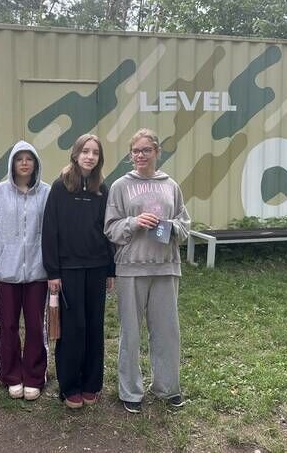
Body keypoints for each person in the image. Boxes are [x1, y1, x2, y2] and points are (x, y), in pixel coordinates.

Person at [104, 128, 191, 414]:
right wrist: (134, 222)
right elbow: (110, 228)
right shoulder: (120, 186)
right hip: (131, 268)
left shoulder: (171, 186)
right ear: (131, 155)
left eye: (146, 150)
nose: (140, 155)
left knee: (167, 331)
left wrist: (169, 227)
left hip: (165, 268)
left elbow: (185, 226)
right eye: (136, 151)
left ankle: (167, 388)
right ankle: (130, 390)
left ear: (156, 152)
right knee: (130, 333)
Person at [42, 134, 115, 409]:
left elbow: (108, 231)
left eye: (95, 152)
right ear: (75, 154)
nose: (89, 156)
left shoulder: (102, 189)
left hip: (97, 268)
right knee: (73, 328)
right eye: (85, 151)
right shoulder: (60, 187)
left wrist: (110, 270)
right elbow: (50, 230)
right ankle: (70, 386)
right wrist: (53, 272)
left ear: (99, 158)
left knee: (94, 326)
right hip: (68, 269)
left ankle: (91, 384)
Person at [0, 141, 51, 401]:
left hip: (38, 272)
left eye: (29, 158)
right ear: (12, 163)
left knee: (36, 325)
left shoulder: (46, 193)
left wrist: (52, 268)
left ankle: (34, 376)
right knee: (8, 325)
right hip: (6, 272)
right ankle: (12, 375)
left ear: (36, 163)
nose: (24, 163)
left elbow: (52, 231)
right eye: (19, 158)